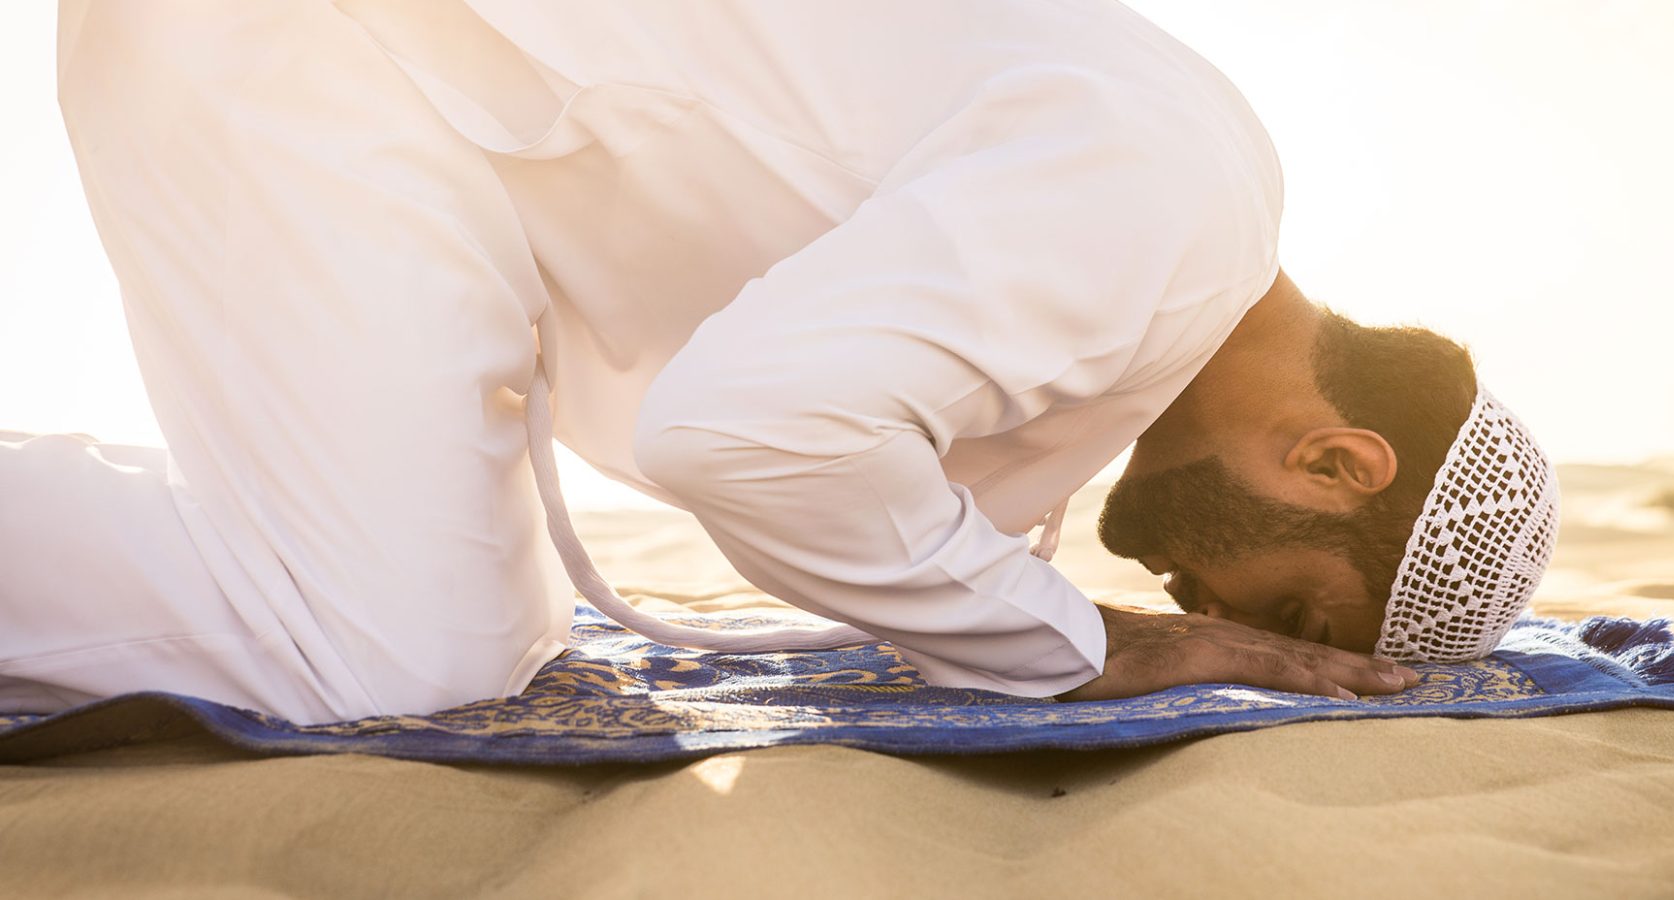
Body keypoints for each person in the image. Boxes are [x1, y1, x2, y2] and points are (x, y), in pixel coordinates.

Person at [0, 0, 1556, 725]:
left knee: (480, 628)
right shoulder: (1156, 225)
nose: (1218, 625)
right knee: (388, 652)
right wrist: (1081, 643)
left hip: (435, 117)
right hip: (332, 50)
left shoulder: (1186, 207)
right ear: (1338, 462)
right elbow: (742, 430)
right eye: (1288, 609)